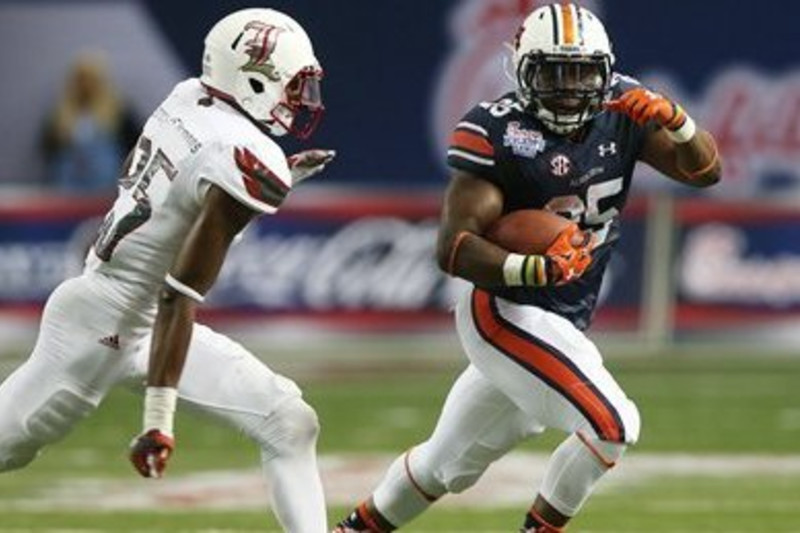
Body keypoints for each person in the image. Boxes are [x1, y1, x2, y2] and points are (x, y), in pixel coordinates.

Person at [335, 3, 721, 532]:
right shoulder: (496, 130)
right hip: (504, 310)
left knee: (444, 466)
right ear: (520, 69)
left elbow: (705, 173)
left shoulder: (624, 109)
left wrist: (680, 123)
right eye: (553, 72)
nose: (568, 87)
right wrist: (532, 270)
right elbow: (453, 247)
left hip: (561, 319)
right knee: (612, 424)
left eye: (582, 73)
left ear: (605, 72)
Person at [0, 8, 335, 533]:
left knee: (289, 422)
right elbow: (180, 295)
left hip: (137, 317)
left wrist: (279, 178)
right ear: (250, 79)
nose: (301, 100)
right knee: (7, 450)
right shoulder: (242, 153)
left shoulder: (187, 97)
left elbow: (178, 197)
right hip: (103, 326)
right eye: (292, 87)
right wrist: (159, 422)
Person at [39, 51, 139, 193]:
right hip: (67, 188)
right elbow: (47, 148)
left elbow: (136, 146)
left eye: (91, 79)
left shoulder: (119, 111)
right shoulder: (60, 113)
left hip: (107, 190)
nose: (86, 85)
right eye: (81, 79)